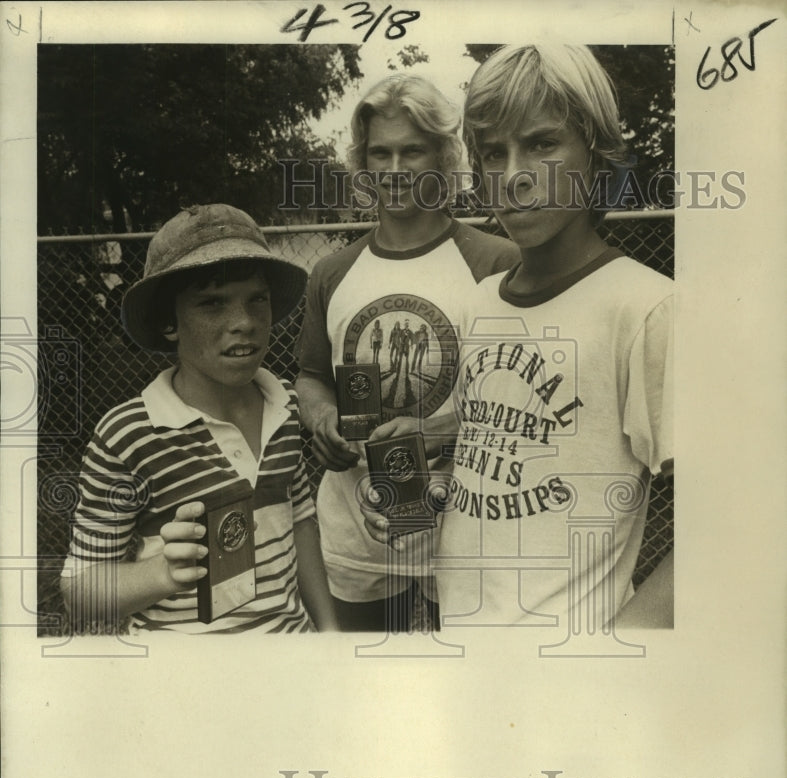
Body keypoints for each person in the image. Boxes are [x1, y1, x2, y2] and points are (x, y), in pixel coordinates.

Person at [363, 45, 674, 632]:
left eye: (542, 143)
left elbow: (734, 517)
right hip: (462, 632)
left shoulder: (646, 307)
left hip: (566, 665)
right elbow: (495, 459)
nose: (514, 175)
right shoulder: (482, 300)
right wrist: (422, 500)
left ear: (596, 154)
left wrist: (617, 652)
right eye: (493, 154)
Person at [295, 73, 520, 633]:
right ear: (363, 162)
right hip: (358, 526)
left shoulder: (496, 260)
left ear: (443, 156)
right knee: (366, 681)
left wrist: (438, 430)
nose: (394, 170)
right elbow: (310, 376)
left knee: (462, 688)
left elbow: (520, 406)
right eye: (380, 153)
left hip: (465, 526)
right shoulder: (332, 271)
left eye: (412, 151)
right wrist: (322, 418)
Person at [61, 203, 338, 633]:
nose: (243, 322)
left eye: (257, 301)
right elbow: (80, 590)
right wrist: (161, 575)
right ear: (170, 322)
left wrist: (329, 630)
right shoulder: (128, 436)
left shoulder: (283, 404)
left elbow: (299, 519)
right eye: (212, 304)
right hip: (186, 684)